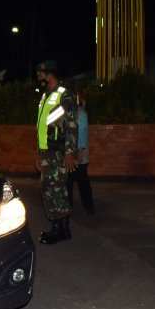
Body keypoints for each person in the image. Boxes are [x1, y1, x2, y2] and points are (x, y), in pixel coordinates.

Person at [34, 59, 78, 244]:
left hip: (58, 153)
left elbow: (72, 125)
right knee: (48, 190)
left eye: (41, 70)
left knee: (57, 190)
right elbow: (42, 126)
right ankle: (59, 227)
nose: (38, 74)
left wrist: (70, 153)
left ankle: (61, 229)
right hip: (46, 152)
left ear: (50, 72)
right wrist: (39, 153)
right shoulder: (45, 95)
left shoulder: (64, 94)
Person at [66, 93, 95, 215]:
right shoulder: (69, 114)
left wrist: (76, 152)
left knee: (82, 182)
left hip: (79, 155)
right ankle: (68, 207)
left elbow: (82, 135)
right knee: (68, 182)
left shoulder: (81, 114)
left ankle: (89, 206)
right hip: (70, 154)